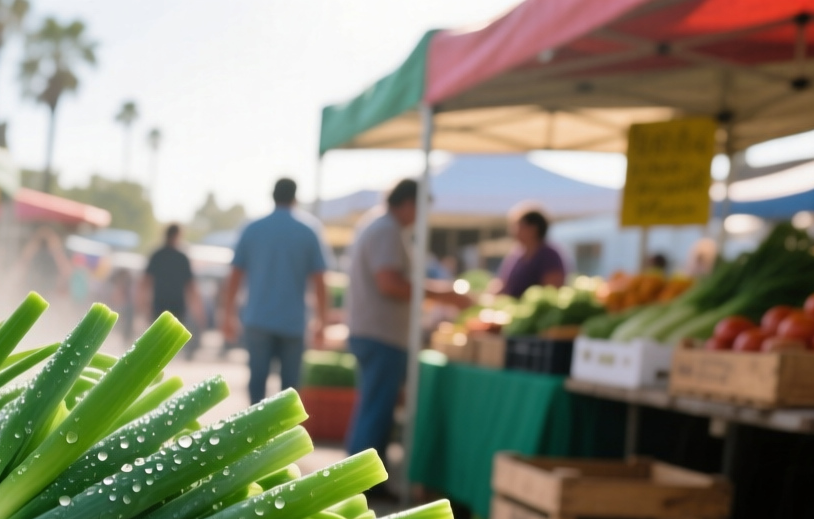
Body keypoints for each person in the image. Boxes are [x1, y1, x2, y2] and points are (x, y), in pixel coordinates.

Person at [343, 179, 471, 476]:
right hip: (380, 334)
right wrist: (444, 295)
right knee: (376, 412)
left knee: (373, 409)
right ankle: (361, 481)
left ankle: (360, 477)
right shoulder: (386, 229)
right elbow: (389, 283)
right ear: (409, 203)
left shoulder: (379, 225)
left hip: (375, 332)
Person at [219, 179, 332, 404]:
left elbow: (234, 276)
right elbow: (320, 281)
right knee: (289, 392)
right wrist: (322, 321)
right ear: (295, 197)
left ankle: (254, 436)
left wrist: (228, 314)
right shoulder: (308, 230)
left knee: (257, 383)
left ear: (272, 196)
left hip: (258, 319)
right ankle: (285, 438)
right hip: (293, 323)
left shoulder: (252, 228)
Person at [139, 224, 201, 341]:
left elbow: (145, 282)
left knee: (157, 340)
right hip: (175, 305)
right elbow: (191, 287)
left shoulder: (157, 255)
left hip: (160, 305)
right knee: (170, 342)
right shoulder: (182, 258)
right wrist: (198, 310)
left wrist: (143, 304)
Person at [495, 209, 566, 298]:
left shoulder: (549, 256)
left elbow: (552, 291)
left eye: (518, 226)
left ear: (533, 228)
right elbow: (502, 284)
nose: (513, 231)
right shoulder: (515, 255)